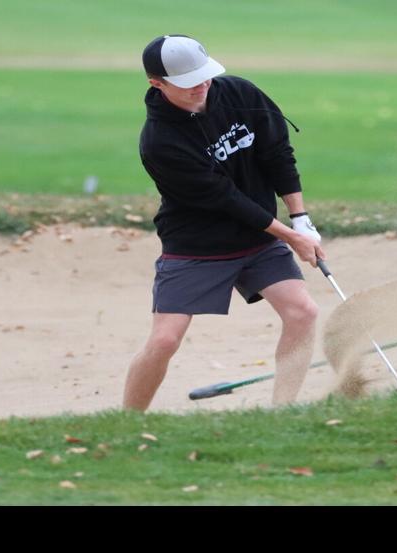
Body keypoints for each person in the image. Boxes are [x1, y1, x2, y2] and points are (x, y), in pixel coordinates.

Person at [124, 34, 326, 409]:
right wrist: (289, 236)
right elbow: (225, 199)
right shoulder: (159, 142)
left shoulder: (240, 94)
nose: (202, 86)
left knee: (303, 312)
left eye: (205, 75)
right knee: (165, 340)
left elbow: (278, 155)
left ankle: (282, 413)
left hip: (258, 238)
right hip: (196, 245)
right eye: (188, 83)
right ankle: (126, 422)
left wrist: (301, 219)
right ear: (157, 83)